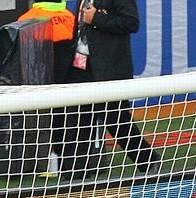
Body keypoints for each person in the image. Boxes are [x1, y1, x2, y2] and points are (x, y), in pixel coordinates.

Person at [62, 0, 161, 174]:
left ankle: (148, 160)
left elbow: (131, 23)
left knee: (116, 120)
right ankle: (73, 174)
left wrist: (97, 18)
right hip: (81, 68)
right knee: (78, 121)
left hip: (108, 69)